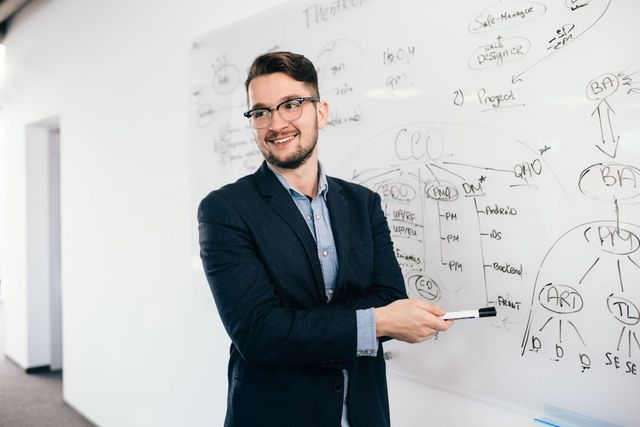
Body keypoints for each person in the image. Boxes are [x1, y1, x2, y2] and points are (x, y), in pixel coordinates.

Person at [198, 51, 453, 427]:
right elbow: (259, 333)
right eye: (261, 112)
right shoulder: (225, 210)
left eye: (291, 105)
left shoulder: (363, 204)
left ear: (321, 112)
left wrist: (297, 325)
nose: (276, 123)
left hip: (364, 412)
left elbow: (389, 295)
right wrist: (376, 322)